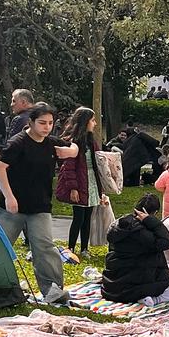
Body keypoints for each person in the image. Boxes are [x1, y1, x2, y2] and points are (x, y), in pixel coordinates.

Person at [0, 102, 80, 304]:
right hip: (12, 208)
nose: (47, 127)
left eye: (50, 123)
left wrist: (71, 152)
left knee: (45, 247)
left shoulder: (51, 143)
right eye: (42, 122)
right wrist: (9, 196)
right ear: (31, 122)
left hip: (40, 206)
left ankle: (52, 290)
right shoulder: (18, 143)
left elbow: (75, 147)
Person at [102, 194, 169, 306]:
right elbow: (167, 242)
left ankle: (146, 297)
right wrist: (153, 222)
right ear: (154, 213)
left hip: (111, 287)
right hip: (136, 286)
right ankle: (152, 299)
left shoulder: (118, 226)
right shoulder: (144, 232)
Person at [56, 107, 110, 255]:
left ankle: (84, 248)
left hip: (91, 182)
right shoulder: (74, 142)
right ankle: (71, 247)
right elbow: (69, 167)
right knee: (78, 218)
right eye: (93, 120)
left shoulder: (91, 141)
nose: (95, 123)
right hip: (80, 182)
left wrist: (100, 189)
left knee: (87, 218)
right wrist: (73, 188)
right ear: (85, 121)